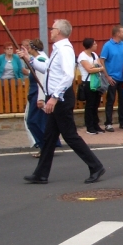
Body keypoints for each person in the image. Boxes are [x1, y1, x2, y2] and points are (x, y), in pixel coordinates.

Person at [18, 19, 105, 185]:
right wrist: (29, 58)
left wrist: (54, 97)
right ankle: (41, 174)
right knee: (49, 137)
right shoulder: (58, 49)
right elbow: (46, 68)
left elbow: (68, 75)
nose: (50, 31)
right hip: (58, 97)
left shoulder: (64, 50)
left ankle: (96, 166)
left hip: (61, 99)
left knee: (70, 136)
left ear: (58, 31)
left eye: (52, 29)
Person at [22, 38, 49, 156]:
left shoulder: (40, 60)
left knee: (33, 121)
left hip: (37, 94)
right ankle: (46, 146)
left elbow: (41, 79)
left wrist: (41, 98)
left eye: (29, 47)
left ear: (33, 48)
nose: (28, 49)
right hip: (36, 93)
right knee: (40, 121)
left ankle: (45, 146)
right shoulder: (40, 58)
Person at [99, 25, 123, 132]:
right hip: (112, 78)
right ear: (117, 33)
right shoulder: (107, 45)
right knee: (110, 100)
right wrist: (107, 76)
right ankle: (108, 123)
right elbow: (102, 61)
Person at [77, 38, 106, 135]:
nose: (96, 45)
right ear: (90, 45)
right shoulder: (82, 56)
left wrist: (96, 67)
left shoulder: (94, 55)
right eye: (94, 44)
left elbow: (100, 65)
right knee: (90, 105)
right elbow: (89, 69)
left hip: (96, 81)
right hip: (88, 82)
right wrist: (96, 67)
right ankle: (89, 127)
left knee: (96, 104)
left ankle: (96, 124)